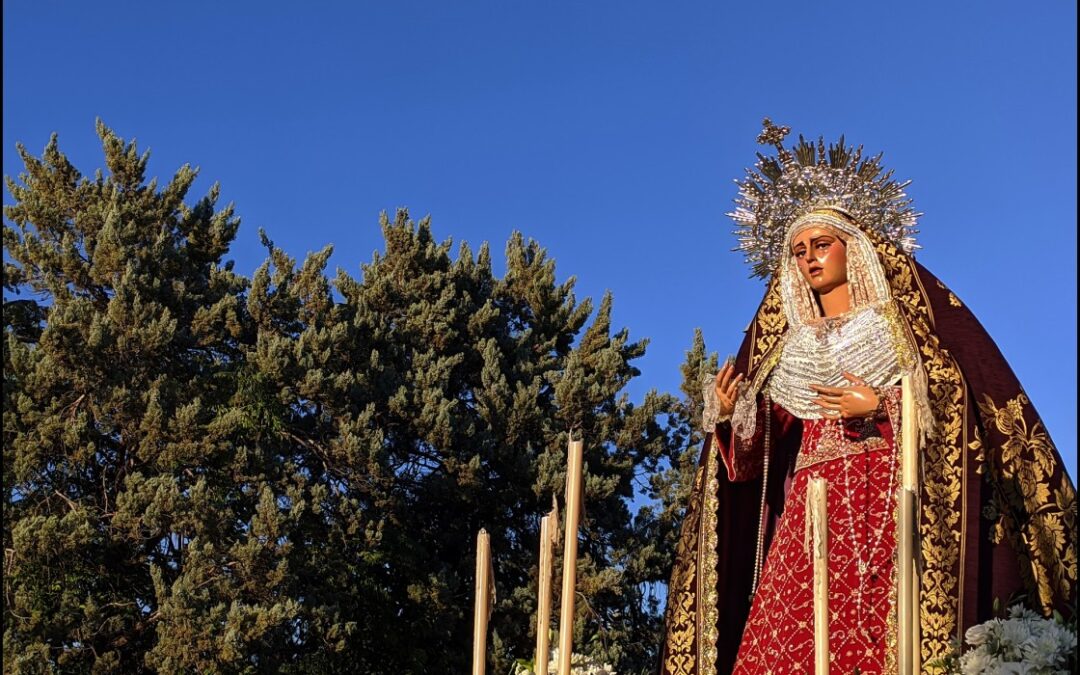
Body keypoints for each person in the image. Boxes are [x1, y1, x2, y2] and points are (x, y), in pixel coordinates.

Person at [659, 120, 1076, 674]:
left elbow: (955, 400)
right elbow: (754, 466)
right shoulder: (789, 350)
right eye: (799, 251)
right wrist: (735, 417)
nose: (809, 259)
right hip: (808, 512)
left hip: (885, 495)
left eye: (821, 245)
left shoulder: (897, 327)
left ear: (852, 249)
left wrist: (882, 407)